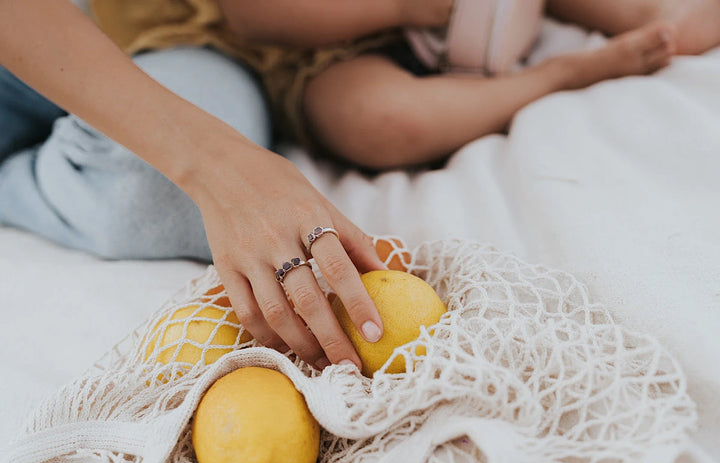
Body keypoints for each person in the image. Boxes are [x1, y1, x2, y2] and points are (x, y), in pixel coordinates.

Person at [2, 0, 720, 373]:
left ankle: (618, 37)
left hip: (166, 54)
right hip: (248, 42)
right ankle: (558, 76)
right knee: (375, 120)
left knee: (152, 191)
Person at [214, 0, 720, 170]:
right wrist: (399, 8)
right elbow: (255, 17)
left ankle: (657, 17)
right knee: (378, 119)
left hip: (497, 16)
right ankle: (561, 75)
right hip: (323, 45)